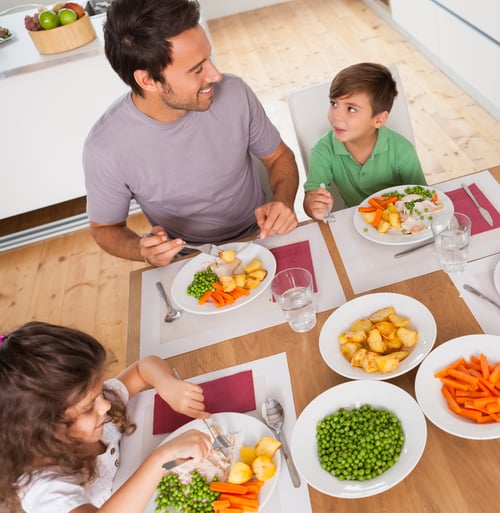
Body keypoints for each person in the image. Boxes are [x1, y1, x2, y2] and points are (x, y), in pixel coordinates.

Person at [84, 0, 299, 268]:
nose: (216, 75)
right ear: (148, 80)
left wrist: (282, 202)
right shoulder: (106, 148)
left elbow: (279, 157)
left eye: (209, 58)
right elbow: (104, 228)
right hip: (189, 259)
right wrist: (142, 249)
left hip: (261, 236)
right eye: (197, 69)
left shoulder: (235, 92)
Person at [0, 322, 213, 513]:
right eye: (87, 407)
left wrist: (167, 384)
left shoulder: (92, 405)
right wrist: (159, 460)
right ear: (42, 428)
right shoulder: (42, 487)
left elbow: (143, 368)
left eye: (100, 391)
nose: (106, 405)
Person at [302, 62, 426, 220]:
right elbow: (311, 196)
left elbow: (422, 196)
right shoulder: (322, 150)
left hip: (402, 222)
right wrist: (314, 206)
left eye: (351, 109)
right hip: (355, 222)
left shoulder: (402, 150)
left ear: (379, 119)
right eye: (334, 104)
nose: (336, 116)